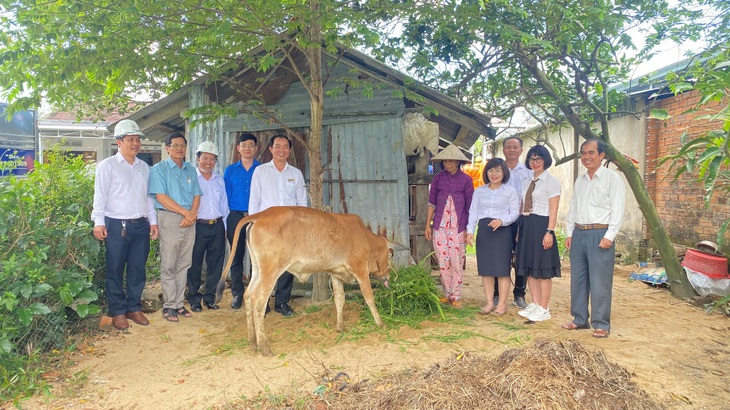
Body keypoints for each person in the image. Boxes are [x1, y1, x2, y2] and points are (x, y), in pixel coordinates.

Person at [92, 119, 158, 330]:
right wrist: (98, 222)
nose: (135, 144)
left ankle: (134, 307)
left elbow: (149, 198)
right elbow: (100, 196)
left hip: (140, 225)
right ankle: (118, 311)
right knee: (115, 269)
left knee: (138, 269)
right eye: (130, 139)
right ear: (119, 142)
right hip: (115, 225)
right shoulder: (107, 166)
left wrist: (153, 221)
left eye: (137, 139)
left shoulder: (144, 167)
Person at [564, 138, 625, 338]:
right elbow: (574, 207)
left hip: (600, 234)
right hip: (579, 233)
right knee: (578, 279)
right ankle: (580, 319)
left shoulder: (612, 178)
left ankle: (601, 323)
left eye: (591, 153)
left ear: (601, 155)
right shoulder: (580, 180)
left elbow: (618, 208)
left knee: (600, 281)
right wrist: (570, 232)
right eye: (583, 153)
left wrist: (610, 235)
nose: (587, 157)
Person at [249, 134, 307, 316]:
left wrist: (301, 227)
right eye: (278, 146)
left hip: (290, 227)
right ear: (271, 149)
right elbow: (254, 199)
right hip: (266, 227)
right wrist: (253, 225)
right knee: (262, 263)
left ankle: (282, 302)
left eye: (285, 147)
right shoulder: (260, 171)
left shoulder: (296, 174)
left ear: (289, 151)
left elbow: (301, 203)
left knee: (287, 264)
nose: (281, 150)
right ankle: (262, 301)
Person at [149, 132, 203, 323]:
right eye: (175, 145)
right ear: (167, 148)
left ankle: (179, 303)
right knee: (169, 264)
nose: (179, 148)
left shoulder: (190, 170)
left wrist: (192, 214)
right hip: (171, 219)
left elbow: (197, 195)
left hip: (189, 221)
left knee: (184, 264)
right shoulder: (159, 169)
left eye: (182, 145)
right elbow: (161, 197)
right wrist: (185, 213)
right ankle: (169, 305)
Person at [466, 158, 520, 316]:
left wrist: (502, 221)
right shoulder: (479, 191)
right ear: (486, 172)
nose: (494, 174)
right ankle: (489, 302)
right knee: (486, 269)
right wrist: (470, 231)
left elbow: (515, 213)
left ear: (504, 172)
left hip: (502, 232)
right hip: (484, 231)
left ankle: (501, 305)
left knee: (502, 270)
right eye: (491, 170)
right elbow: (473, 212)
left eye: (497, 170)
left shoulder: (510, 191)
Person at [515, 145, 561, 322]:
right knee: (528, 267)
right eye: (531, 159)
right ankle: (534, 304)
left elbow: (553, 209)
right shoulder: (526, 181)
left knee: (543, 269)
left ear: (545, 160)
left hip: (542, 225)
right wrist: (520, 230)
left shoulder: (551, 181)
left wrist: (549, 231)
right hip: (527, 224)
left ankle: (544, 307)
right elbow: (522, 207)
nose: (534, 162)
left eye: (538, 159)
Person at [425, 144, 474, 308]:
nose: (448, 164)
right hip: (440, 225)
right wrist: (428, 225)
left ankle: (456, 295)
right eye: (445, 161)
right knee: (443, 260)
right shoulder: (438, 179)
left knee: (456, 260)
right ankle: (447, 293)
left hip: (458, 226)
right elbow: (431, 203)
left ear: (458, 162)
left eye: (451, 161)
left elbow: (469, 207)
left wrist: (468, 229)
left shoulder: (466, 180)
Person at [186, 141, 230, 312]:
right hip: (197, 226)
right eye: (205, 158)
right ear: (198, 159)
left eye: (212, 159)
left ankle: (210, 298)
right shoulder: (190, 179)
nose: (208, 162)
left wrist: (224, 228)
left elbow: (224, 205)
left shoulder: (219, 180)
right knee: (194, 264)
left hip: (217, 225)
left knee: (215, 264)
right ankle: (194, 298)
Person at [223, 133, 261, 310]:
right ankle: (237, 294)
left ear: (256, 148)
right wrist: (225, 222)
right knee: (236, 257)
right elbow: (225, 197)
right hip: (236, 216)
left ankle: (256, 294)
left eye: (251, 145)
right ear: (238, 148)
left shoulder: (261, 170)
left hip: (257, 218)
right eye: (244, 145)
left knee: (258, 258)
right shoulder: (230, 170)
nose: (247, 148)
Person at [500, 137, 532, 309]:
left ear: (521, 150)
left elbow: (530, 196)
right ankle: (498, 294)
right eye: (508, 147)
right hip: (501, 220)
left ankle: (519, 294)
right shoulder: (498, 170)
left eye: (515, 147)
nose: (511, 150)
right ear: (503, 150)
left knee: (521, 257)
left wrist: (523, 217)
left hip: (521, 219)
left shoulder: (528, 172)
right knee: (500, 256)